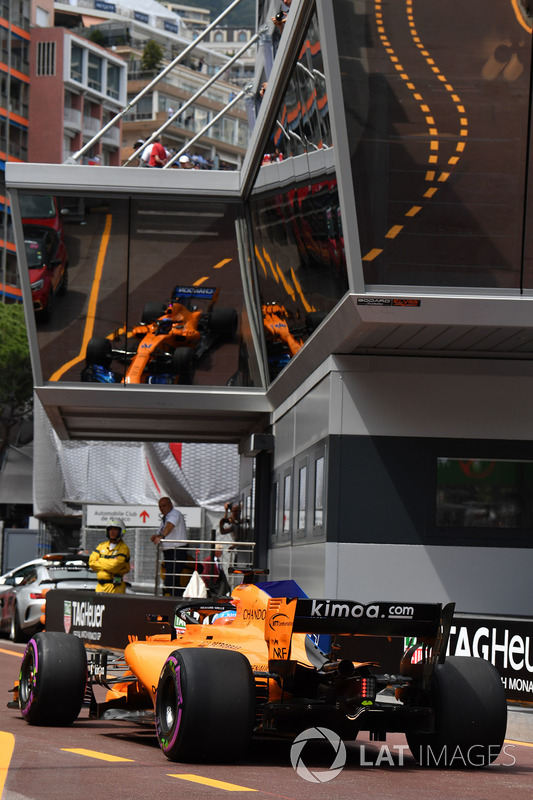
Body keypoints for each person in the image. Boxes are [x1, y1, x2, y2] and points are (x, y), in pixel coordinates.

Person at [151, 497, 188, 595]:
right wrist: (156, 536)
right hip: (170, 552)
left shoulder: (174, 514)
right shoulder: (166, 517)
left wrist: (161, 536)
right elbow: (163, 529)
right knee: (172, 581)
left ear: (170, 505)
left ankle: (178, 601)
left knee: (170, 581)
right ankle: (176, 600)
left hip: (176, 551)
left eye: (164, 506)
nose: (162, 509)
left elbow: (170, 526)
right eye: (160, 507)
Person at [89, 519, 130, 593]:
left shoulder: (123, 548)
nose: (112, 532)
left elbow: (114, 566)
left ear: (121, 531)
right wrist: (110, 562)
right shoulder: (101, 546)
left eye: (115, 529)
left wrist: (100, 560)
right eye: (110, 529)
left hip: (115, 588)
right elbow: (91, 563)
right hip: (100, 587)